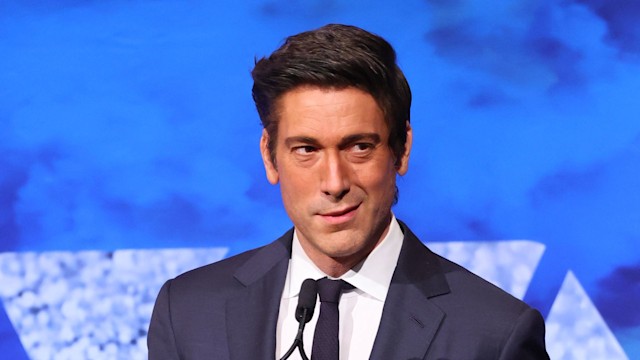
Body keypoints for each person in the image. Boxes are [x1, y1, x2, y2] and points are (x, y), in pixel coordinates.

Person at [148, 24, 549, 359]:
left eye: (359, 147)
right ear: (270, 158)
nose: (335, 183)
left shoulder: (494, 335)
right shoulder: (187, 312)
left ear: (401, 149)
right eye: (306, 149)